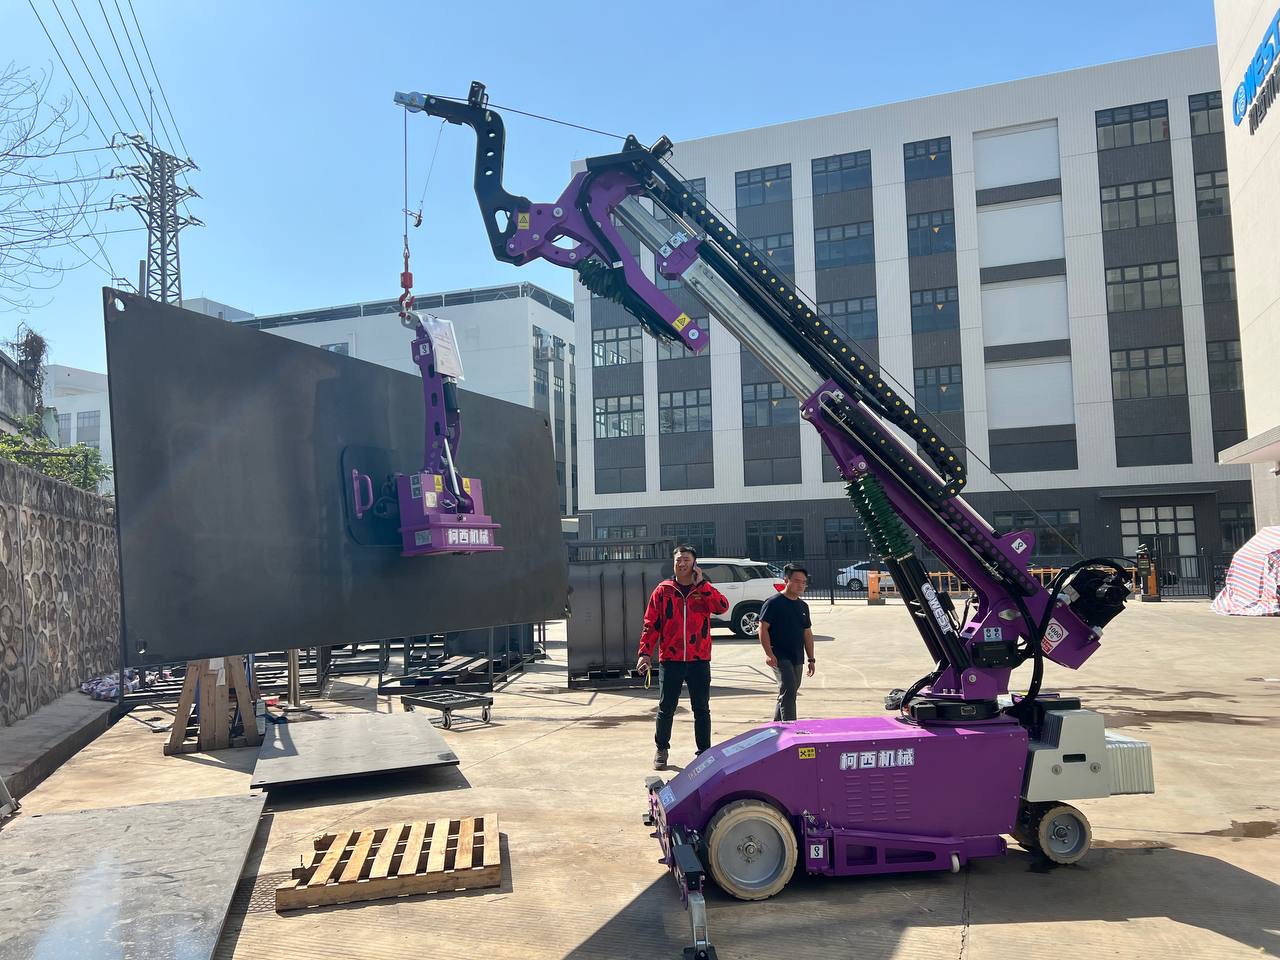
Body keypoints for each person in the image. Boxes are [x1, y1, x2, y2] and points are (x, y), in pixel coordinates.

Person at [636, 545, 730, 769]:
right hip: (671, 659)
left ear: (694, 564)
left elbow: (722, 607)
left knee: (701, 708)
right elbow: (651, 624)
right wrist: (645, 653)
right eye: (678, 559)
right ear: (673, 563)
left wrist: (702, 584)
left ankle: (704, 753)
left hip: (699, 659)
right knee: (666, 707)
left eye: (686, 559)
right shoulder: (663, 590)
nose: (682, 563)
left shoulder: (704, 589)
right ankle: (661, 749)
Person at [758, 563, 816, 721]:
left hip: (796, 655)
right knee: (789, 688)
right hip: (778, 655)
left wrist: (811, 659)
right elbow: (762, 628)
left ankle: (776, 727)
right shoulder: (773, 603)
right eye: (796, 581)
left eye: (804, 582)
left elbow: (807, 633)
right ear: (786, 580)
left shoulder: (803, 606)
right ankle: (791, 728)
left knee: (789, 691)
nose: (800, 585)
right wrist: (768, 654)